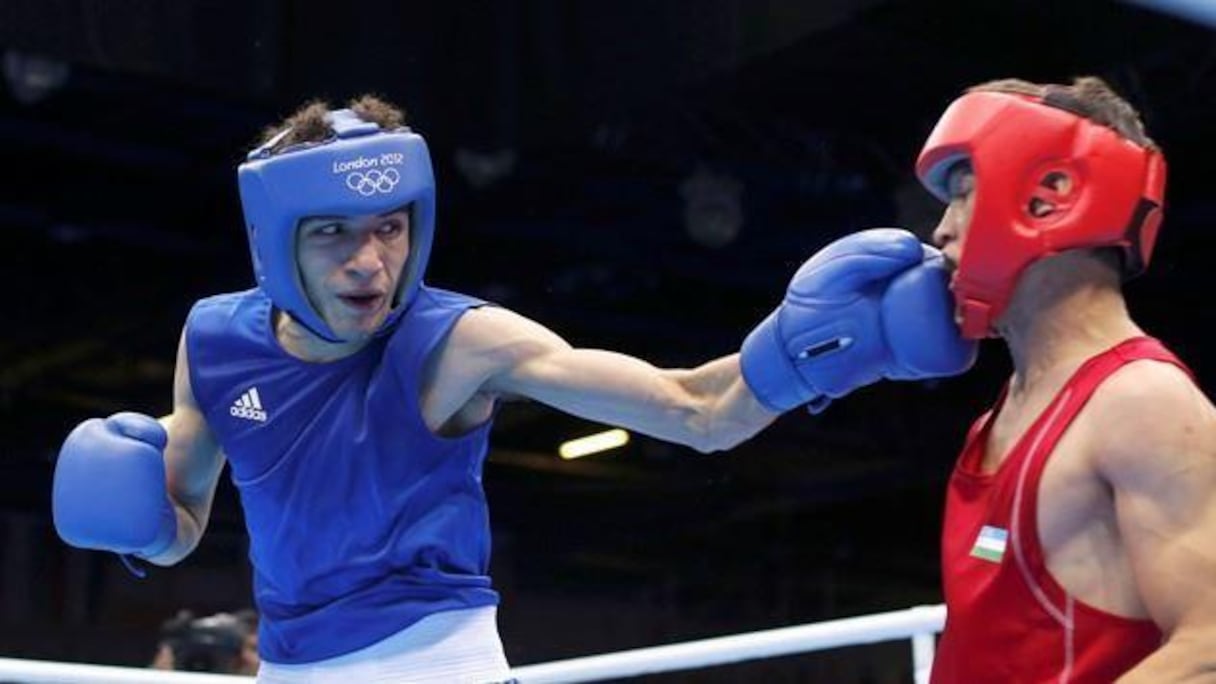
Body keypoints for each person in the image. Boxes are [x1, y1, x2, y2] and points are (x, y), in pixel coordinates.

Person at [50, 95, 974, 683]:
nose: (371, 262)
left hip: (435, 663)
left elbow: (696, 410)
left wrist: (814, 354)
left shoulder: (458, 342)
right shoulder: (214, 339)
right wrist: (138, 522)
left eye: (390, 228)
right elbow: (181, 522)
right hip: (288, 669)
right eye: (334, 232)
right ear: (275, 241)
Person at [917, 76, 1216, 682]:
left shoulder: (1142, 401)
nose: (941, 231)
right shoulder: (999, 414)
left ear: (1050, 196)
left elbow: (1209, 649)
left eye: (964, 195)